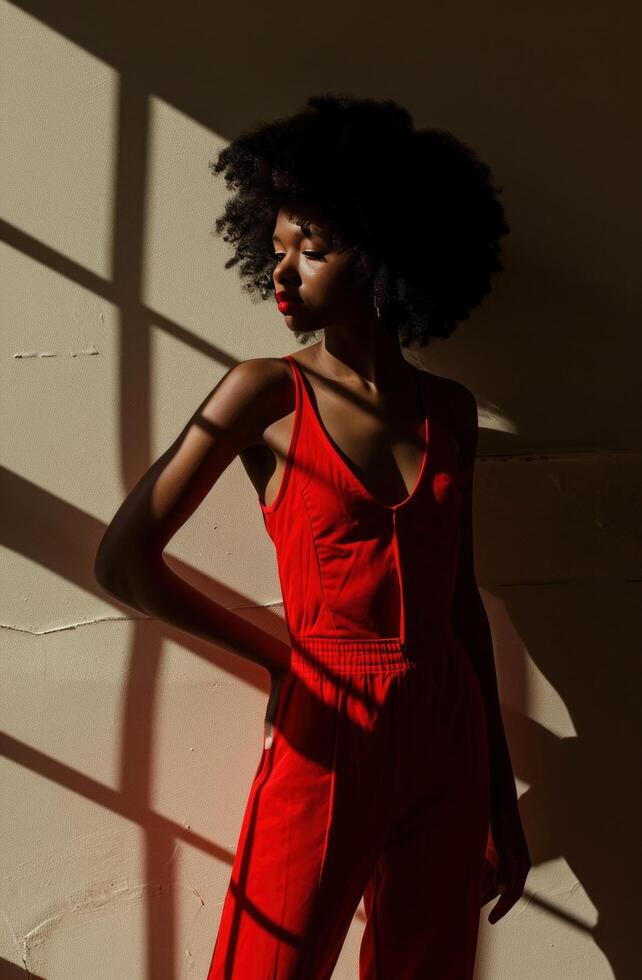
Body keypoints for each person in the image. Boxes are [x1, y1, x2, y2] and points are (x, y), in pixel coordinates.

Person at [94, 93, 531, 979]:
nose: (283, 273)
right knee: (268, 967)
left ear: (387, 258)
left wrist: (501, 803)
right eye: (279, 247)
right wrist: (277, 658)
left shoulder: (448, 412)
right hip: (329, 722)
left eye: (315, 250)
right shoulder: (262, 394)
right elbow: (121, 560)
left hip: (449, 731)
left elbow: (461, 609)